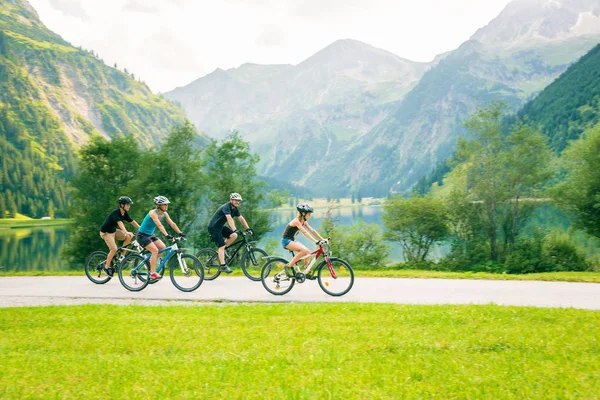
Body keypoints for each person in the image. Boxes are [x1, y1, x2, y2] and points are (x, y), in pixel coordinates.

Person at [136, 195, 185, 280]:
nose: (167, 206)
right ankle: (152, 273)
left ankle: (150, 261)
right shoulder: (153, 213)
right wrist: (167, 235)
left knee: (162, 247)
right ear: (159, 205)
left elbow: (172, 224)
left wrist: (180, 233)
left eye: (167, 204)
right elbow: (159, 225)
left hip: (150, 235)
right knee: (155, 250)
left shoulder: (165, 214)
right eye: (165, 204)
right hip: (142, 235)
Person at [207, 192, 253, 273]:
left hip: (220, 227)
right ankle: (223, 266)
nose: (237, 202)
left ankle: (222, 250)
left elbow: (241, 219)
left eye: (238, 201)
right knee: (221, 246)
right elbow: (229, 219)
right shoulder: (226, 207)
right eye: (235, 200)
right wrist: (235, 229)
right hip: (214, 228)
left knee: (234, 235)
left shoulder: (235, 209)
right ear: (231, 200)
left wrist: (248, 228)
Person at [99, 196, 140, 277]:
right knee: (114, 249)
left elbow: (132, 221)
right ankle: (106, 267)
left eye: (129, 205)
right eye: (127, 205)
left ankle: (122, 256)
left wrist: (141, 228)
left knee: (129, 237)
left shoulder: (124, 213)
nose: (129, 206)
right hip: (106, 233)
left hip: (114, 231)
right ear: (122, 205)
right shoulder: (115, 213)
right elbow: (120, 223)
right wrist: (126, 232)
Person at [281, 203, 325, 276]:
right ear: (303, 213)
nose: (310, 216)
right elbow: (305, 232)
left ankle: (306, 271)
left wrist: (322, 239)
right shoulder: (296, 221)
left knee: (308, 252)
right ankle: (288, 267)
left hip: (291, 240)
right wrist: (316, 241)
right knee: (304, 250)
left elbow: (312, 231)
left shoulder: (303, 221)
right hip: (286, 241)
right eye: (309, 214)